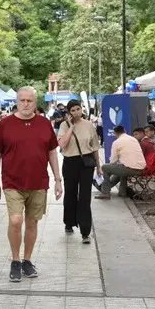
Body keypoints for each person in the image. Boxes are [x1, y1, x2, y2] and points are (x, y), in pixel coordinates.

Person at [0, 86, 62, 282]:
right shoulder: (5, 125)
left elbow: (52, 152)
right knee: (15, 220)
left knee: (32, 222)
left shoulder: (44, 123)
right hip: (12, 182)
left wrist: (58, 179)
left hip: (38, 182)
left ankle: (27, 260)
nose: (25, 104)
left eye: (29, 101)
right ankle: (15, 260)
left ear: (35, 102)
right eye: (22, 100)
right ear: (16, 101)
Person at [57, 99, 102, 244]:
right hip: (70, 162)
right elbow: (62, 144)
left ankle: (85, 231)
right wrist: (70, 126)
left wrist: (99, 166)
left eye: (78, 109)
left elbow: (95, 147)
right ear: (68, 112)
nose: (76, 112)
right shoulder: (64, 125)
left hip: (86, 163)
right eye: (72, 110)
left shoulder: (89, 125)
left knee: (85, 196)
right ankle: (69, 222)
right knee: (70, 193)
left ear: (81, 109)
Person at [96, 125, 146, 200]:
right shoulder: (133, 139)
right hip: (141, 168)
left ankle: (105, 192)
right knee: (122, 168)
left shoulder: (117, 142)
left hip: (130, 168)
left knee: (105, 167)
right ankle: (122, 192)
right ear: (124, 131)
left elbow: (112, 161)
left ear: (115, 133)